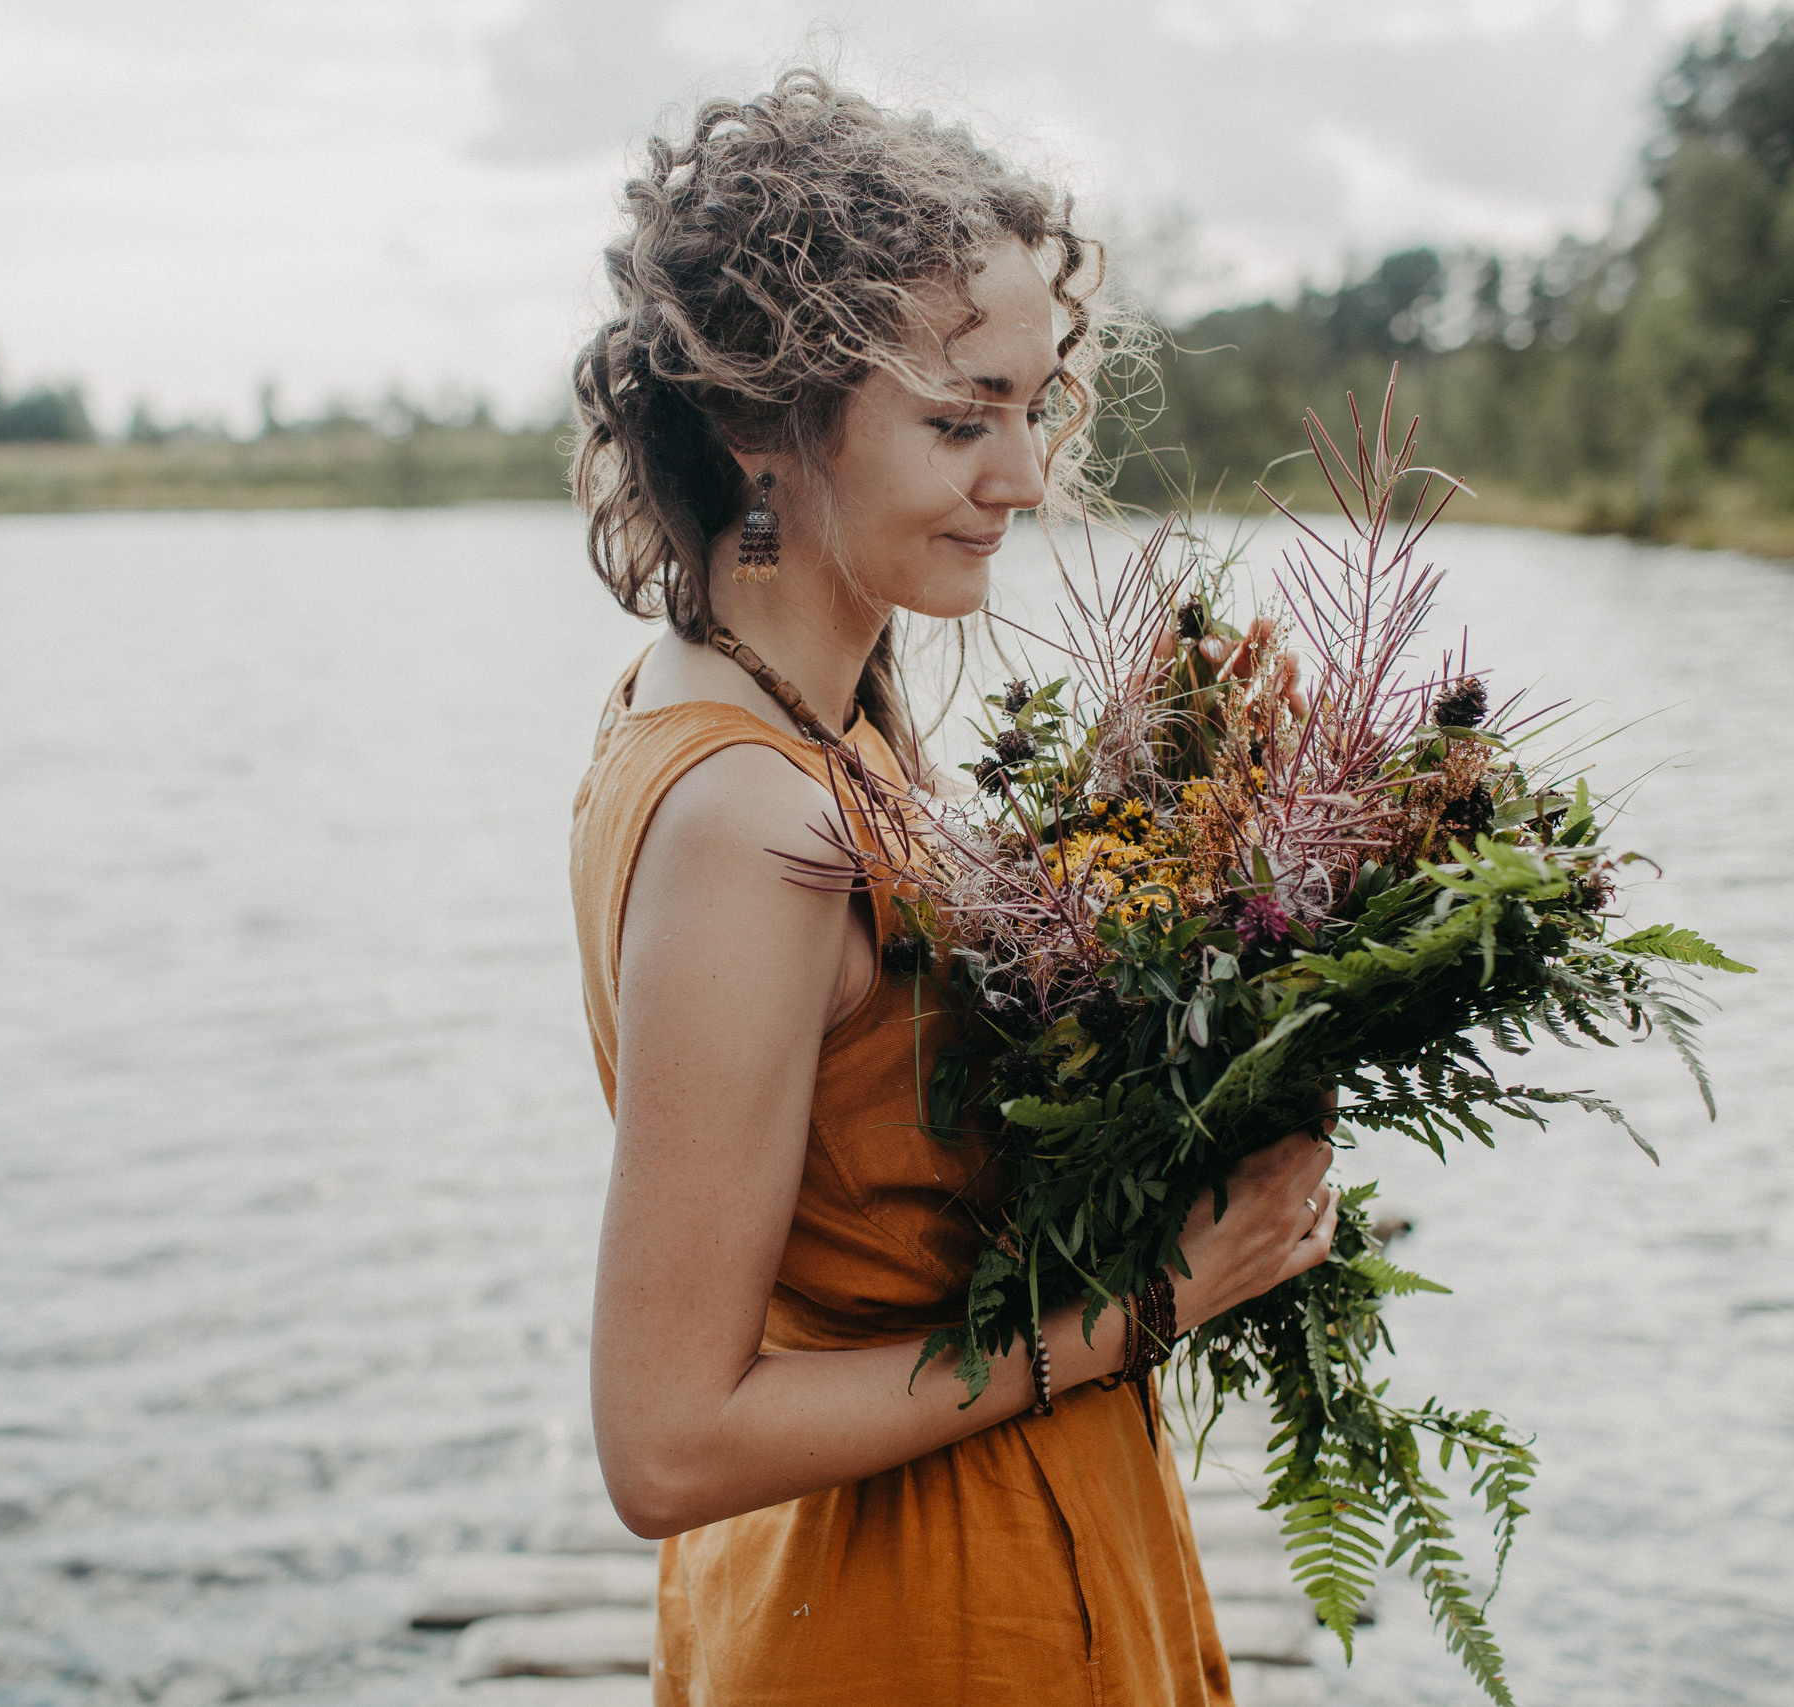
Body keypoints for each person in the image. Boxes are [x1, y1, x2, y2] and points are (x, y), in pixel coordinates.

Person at [566, 70, 1339, 1706]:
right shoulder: (747, 818)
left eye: (1036, 405)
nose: (1028, 476)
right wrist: (1160, 1293)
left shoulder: (813, 705)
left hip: (984, 1558)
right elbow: (665, 1440)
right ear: (763, 424)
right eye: (958, 417)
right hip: (910, 1620)